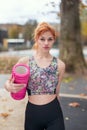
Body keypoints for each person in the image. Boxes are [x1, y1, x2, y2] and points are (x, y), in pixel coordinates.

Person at [4, 22, 65, 130]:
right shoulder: (25, 62)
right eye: (42, 39)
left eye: (50, 39)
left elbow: (57, 92)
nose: (46, 43)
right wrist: (8, 87)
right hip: (33, 114)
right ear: (37, 39)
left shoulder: (60, 65)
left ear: (54, 40)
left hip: (54, 114)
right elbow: (9, 82)